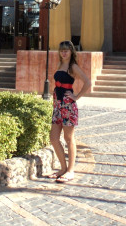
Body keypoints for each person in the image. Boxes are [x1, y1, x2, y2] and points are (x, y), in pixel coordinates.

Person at [49, 40, 91, 184]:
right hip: (57, 106)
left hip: (68, 106)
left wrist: (76, 97)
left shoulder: (73, 67)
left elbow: (87, 82)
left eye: (66, 50)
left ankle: (70, 171)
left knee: (68, 138)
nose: (64, 53)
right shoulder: (60, 65)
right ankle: (63, 168)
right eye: (62, 50)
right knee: (53, 138)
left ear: (71, 52)